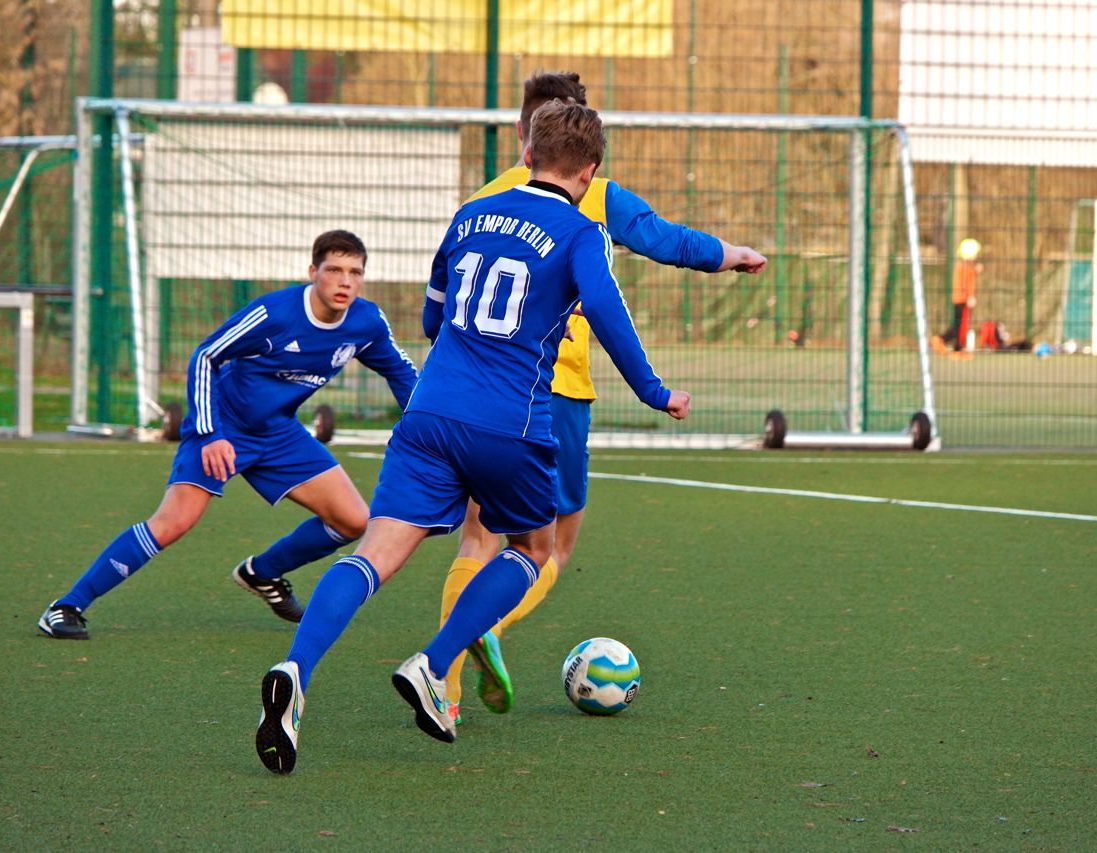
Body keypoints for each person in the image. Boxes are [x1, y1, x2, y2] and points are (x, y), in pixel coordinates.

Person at [254, 99, 690, 774]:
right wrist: (653, 390)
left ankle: (295, 669)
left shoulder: (470, 216)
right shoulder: (583, 233)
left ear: (528, 154)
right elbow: (606, 310)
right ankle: (433, 663)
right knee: (534, 548)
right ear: (591, 171)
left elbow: (433, 319)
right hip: (510, 423)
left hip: (429, 412)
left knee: (376, 552)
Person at [436, 71, 767, 724]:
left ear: (522, 134)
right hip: (554, 392)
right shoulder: (596, 198)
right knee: (553, 546)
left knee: (476, 538)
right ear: (583, 148)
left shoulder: (480, 201)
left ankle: (443, 690)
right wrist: (732, 254)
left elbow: (445, 299)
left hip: (470, 391)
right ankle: (487, 626)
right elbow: (664, 240)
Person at [37, 230, 417, 640]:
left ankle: (263, 573)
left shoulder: (366, 322)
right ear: (313, 272)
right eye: (334, 270)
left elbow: (401, 373)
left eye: (355, 272)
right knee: (173, 522)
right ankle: (66, 606)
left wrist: (426, 426)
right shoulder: (275, 313)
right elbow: (206, 355)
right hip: (224, 425)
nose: (345, 281)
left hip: (279, 431)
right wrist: (209, 433)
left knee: (353, 520)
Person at [932, 237, 981, 354]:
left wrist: (975, 271)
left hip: (961, 299)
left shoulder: (966, 267)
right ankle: (941, 340)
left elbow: (969, 278)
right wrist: (969, 297)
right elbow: (964, 284)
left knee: (960, 325)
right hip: (961, 300)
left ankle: (957, 346)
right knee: (958, 326)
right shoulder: (963, 267)